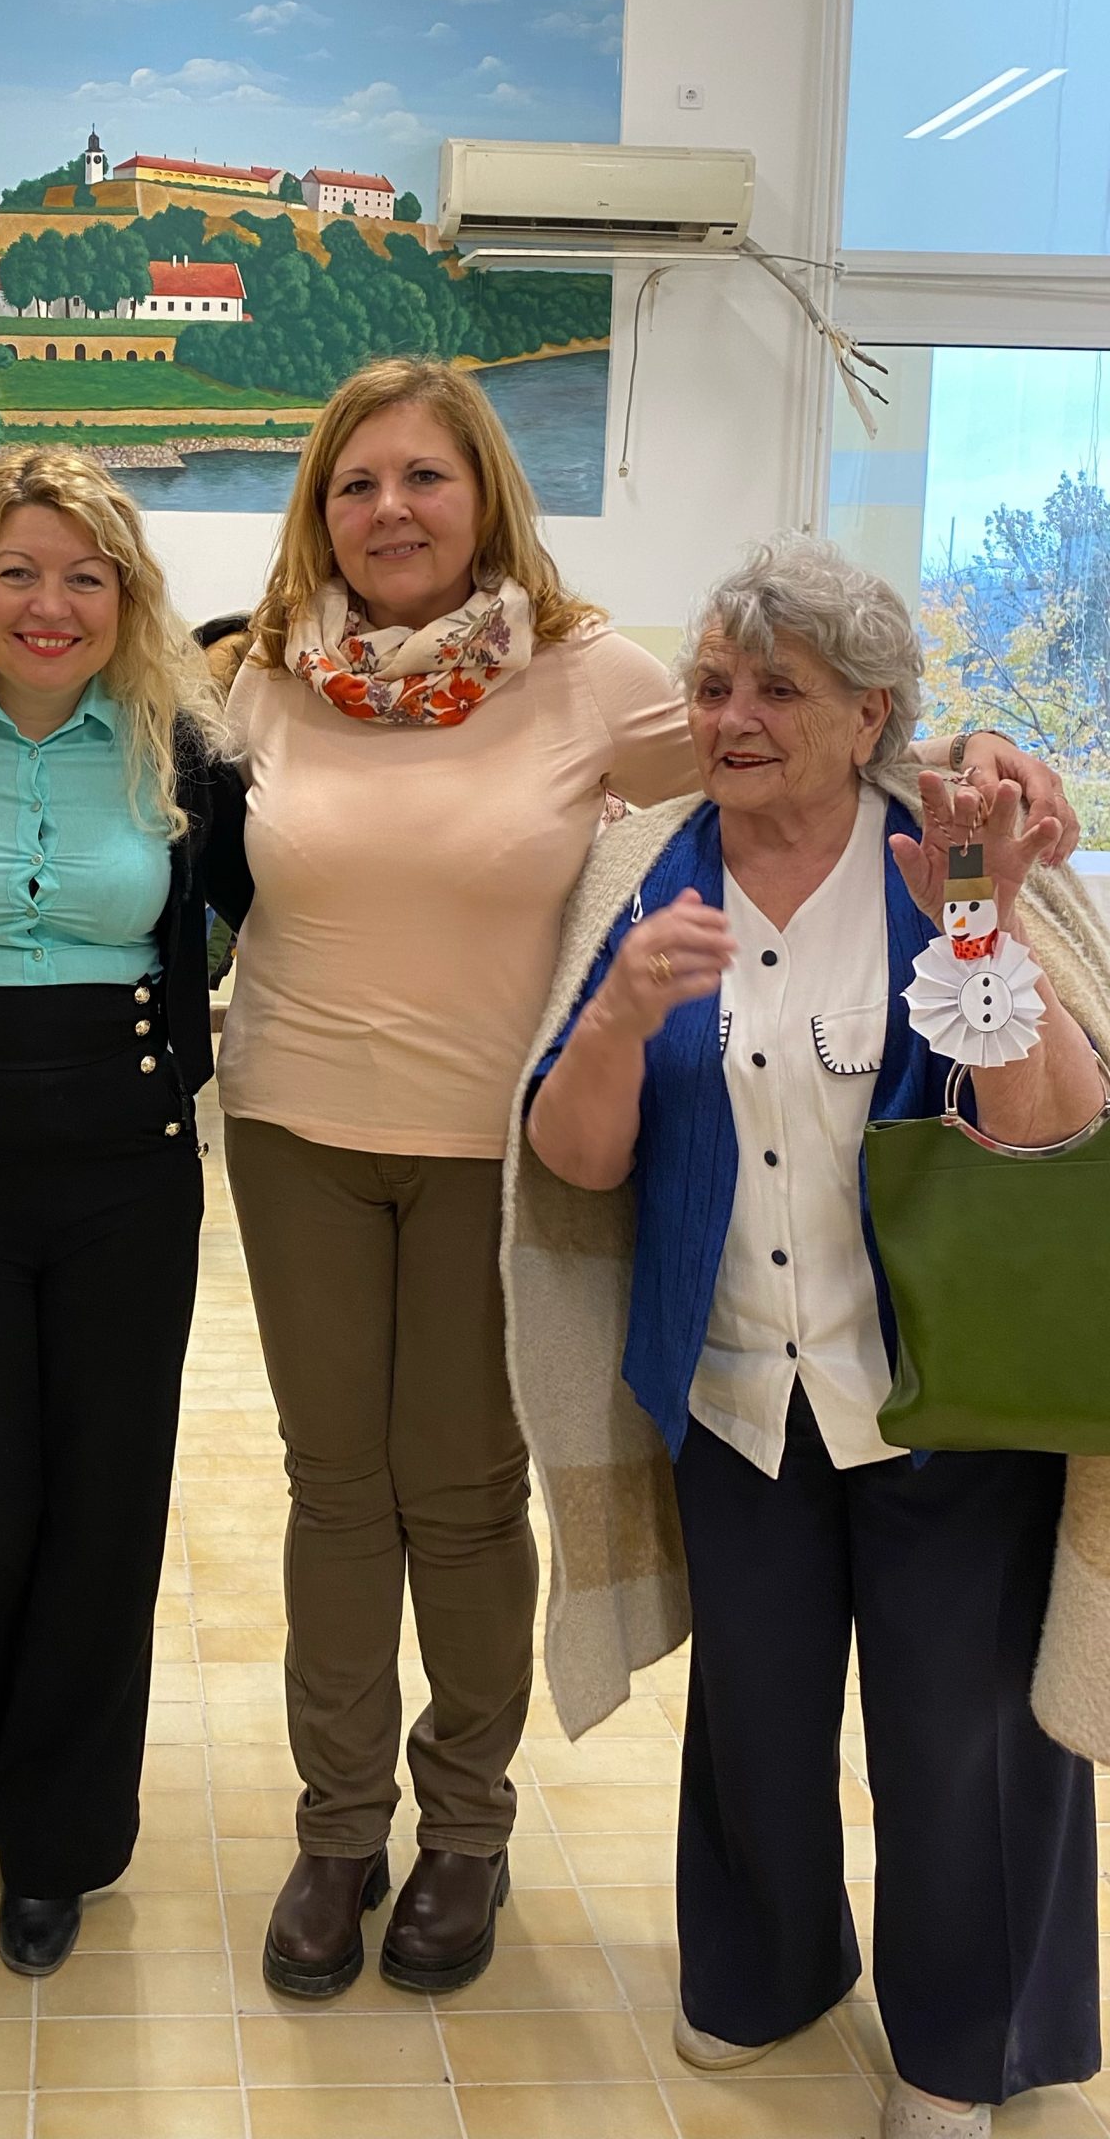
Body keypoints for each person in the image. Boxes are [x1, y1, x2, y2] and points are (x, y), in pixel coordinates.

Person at [213, 357, 1078, 2001]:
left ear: (486, 495)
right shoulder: (261, 680)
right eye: (355, 482)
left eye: (426, 475)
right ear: (318, 509)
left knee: (463, 1498)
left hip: (494, 1147)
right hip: (294, 1127)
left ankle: (464, 1832)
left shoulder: (589, 676)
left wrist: (983, 740)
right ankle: (338, 1832)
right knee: (333, 1491)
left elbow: (823, 724)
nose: (390, 509)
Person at [520, 534, 1109, 2139]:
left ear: (873, 719)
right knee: (757, 1715)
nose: (735, 717)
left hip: (946, 1394)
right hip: (736, 1392)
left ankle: (963, 2049)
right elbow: (573, 1162)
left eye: (782, 689)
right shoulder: (638, 871)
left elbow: (1054, 1132)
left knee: (962, 1734)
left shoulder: (955, 847)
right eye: (715, 684)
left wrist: (981, 927)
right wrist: (621, 1016)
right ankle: (765, 1974)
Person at [0, 448, 248, 1977]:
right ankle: (1, 1729)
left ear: (129, 600)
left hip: (127, 1157)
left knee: (101, 1500)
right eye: (17, 570)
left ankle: (57, 1835)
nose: (50, 603)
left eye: (87, 577)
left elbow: (288, 907)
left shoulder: (185, 757)